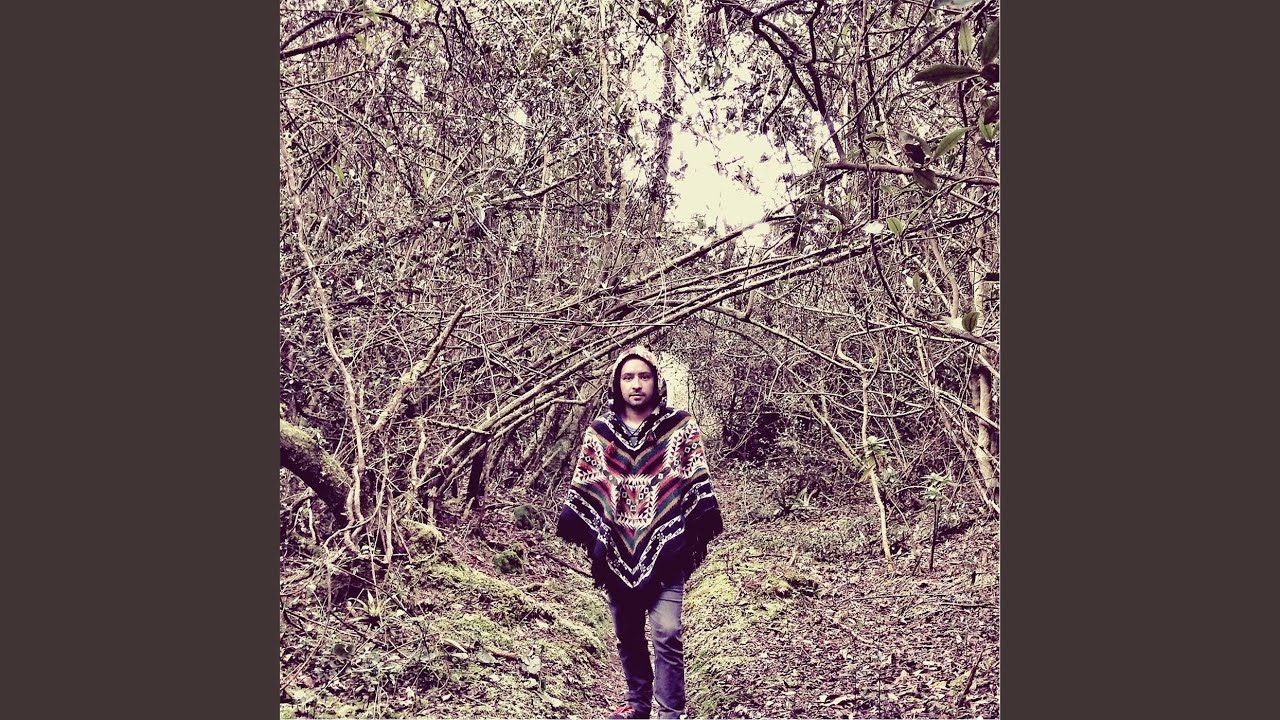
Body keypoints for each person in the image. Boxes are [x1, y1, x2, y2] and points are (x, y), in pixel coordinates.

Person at [556, 345, 724, 720]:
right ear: (617, 383)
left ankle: (670, 712)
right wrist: (597, 534)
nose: (636, 384)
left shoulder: (679, 427)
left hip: (666, 549)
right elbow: (587, 486)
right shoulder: (600, 433)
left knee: (667, 632)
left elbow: (694, 481)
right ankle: (638, 703)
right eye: (628, 377)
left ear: (656, 381)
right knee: (628, 635)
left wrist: (686, 529)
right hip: (616, 549)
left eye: (644, 376)